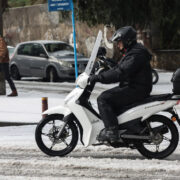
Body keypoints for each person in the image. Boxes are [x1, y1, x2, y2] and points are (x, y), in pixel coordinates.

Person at [89, 26, 152, 142]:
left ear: (127, 41)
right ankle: (122, 126)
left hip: (136, 88)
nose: (118, 45)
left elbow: (121, 73)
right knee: (110, 98)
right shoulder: (133, 51)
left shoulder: (136, 54)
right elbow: (121, 67)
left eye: (119, 42)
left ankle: (112, 131)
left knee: (103, 99)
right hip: (135, 86)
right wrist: (108, 62)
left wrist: (99, 77)